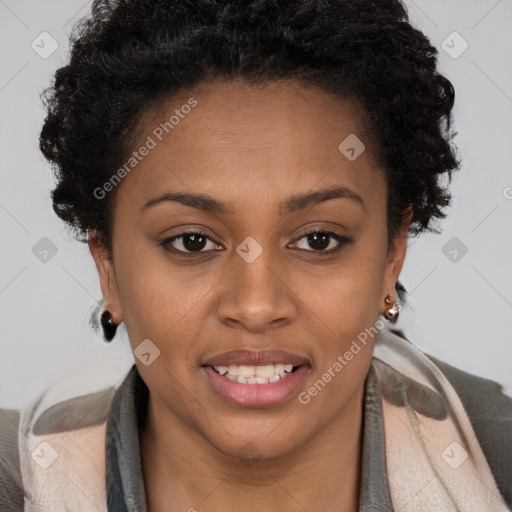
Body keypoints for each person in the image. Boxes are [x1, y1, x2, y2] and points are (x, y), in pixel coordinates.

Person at [1, 0, 511, 510]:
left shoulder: (499, 462)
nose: (256, 306)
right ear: (107, 265)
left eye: (318, 239)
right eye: (192, 241)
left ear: (391, 253)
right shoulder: (15, 483)